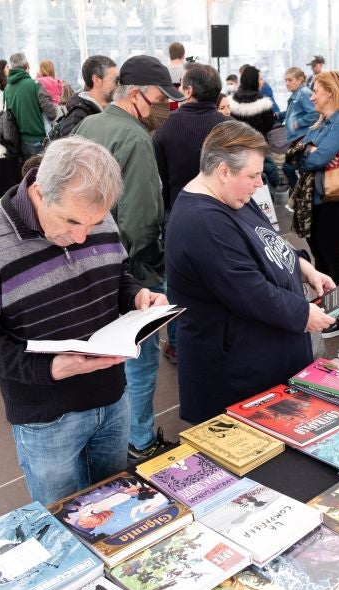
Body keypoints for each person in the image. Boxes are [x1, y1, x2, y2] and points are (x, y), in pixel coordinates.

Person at [0, 136, 166, 505]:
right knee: (62, 519)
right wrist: (51, 368)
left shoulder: (92, 213)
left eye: (94, 223)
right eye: (71, 221)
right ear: (38, 191)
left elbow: (117, 277)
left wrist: (136, 296)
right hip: (46, 418)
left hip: (114, 398)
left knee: (116, 508)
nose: (82, 235)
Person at [166, 120, 336, 424]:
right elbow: (250, 291)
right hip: (236, 374)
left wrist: (304, 268)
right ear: (223, 170)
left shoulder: (232, 195)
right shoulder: (202, 221)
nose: (260, 183)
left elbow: (268, 242)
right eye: (253, 175)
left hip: (263, 359)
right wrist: (303, 314)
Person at [75, 55, 185, 462]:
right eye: (160, 97)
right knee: (140, 359)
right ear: (137, 93)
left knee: (106, 358)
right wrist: (151, 271)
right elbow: (141, 219)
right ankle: (139, 438)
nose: (165, 106)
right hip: (132, 270)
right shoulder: (137, 139)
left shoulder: (92, 123)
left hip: (88, 262)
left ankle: (111, 435)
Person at [153, 65, 230, 367]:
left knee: (178, 284)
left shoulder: (166, 128)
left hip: (178, 215)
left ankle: (175, 343)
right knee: (219, 278)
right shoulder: (227, 127)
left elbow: (159, 179)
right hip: (221, 215)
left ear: (188, 91)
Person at [297, 71, 339, 338]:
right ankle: (329, 310)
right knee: (321, 258)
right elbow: (299, 153)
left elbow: (313, 160)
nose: (312, 96)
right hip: (316, 200)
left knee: (335, 259)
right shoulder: (324, 122)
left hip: (335, 201)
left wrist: (308, 152)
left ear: (330, 92)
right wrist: (306, 152)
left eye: (317, 91)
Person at [229, 66, 279, 190]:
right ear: (254, 81)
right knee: (264, 180)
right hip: (259, 148)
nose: (262, 82)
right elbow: (269, 124)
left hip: (238, 149)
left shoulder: (232, 101)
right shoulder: (263, 102)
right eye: (260, 79)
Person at [4, 52, 60, 158]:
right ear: (27, 66)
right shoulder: (35, 86)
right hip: (39, 142)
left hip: (19, 144)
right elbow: (52, 114)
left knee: (28, 174)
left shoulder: (7, 89)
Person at [53, 55, 118, 139]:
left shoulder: (105, 110)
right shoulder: (79, 116)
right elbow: (68, 150)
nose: (118, 84)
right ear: (97, 80)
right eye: (114, 80)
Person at [278, 67, 318, 190]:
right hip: (296, 138)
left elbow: (314, 113)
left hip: (302, 138)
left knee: (288, 168)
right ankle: (300, 194)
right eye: (286, 80)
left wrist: (298, 123)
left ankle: (297, 193)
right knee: (299, 169)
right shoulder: (297, 94)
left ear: (300, 79)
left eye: (290, 80)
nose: (287, 83)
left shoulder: (304, 93)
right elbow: (293, 112)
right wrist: (279, 115)